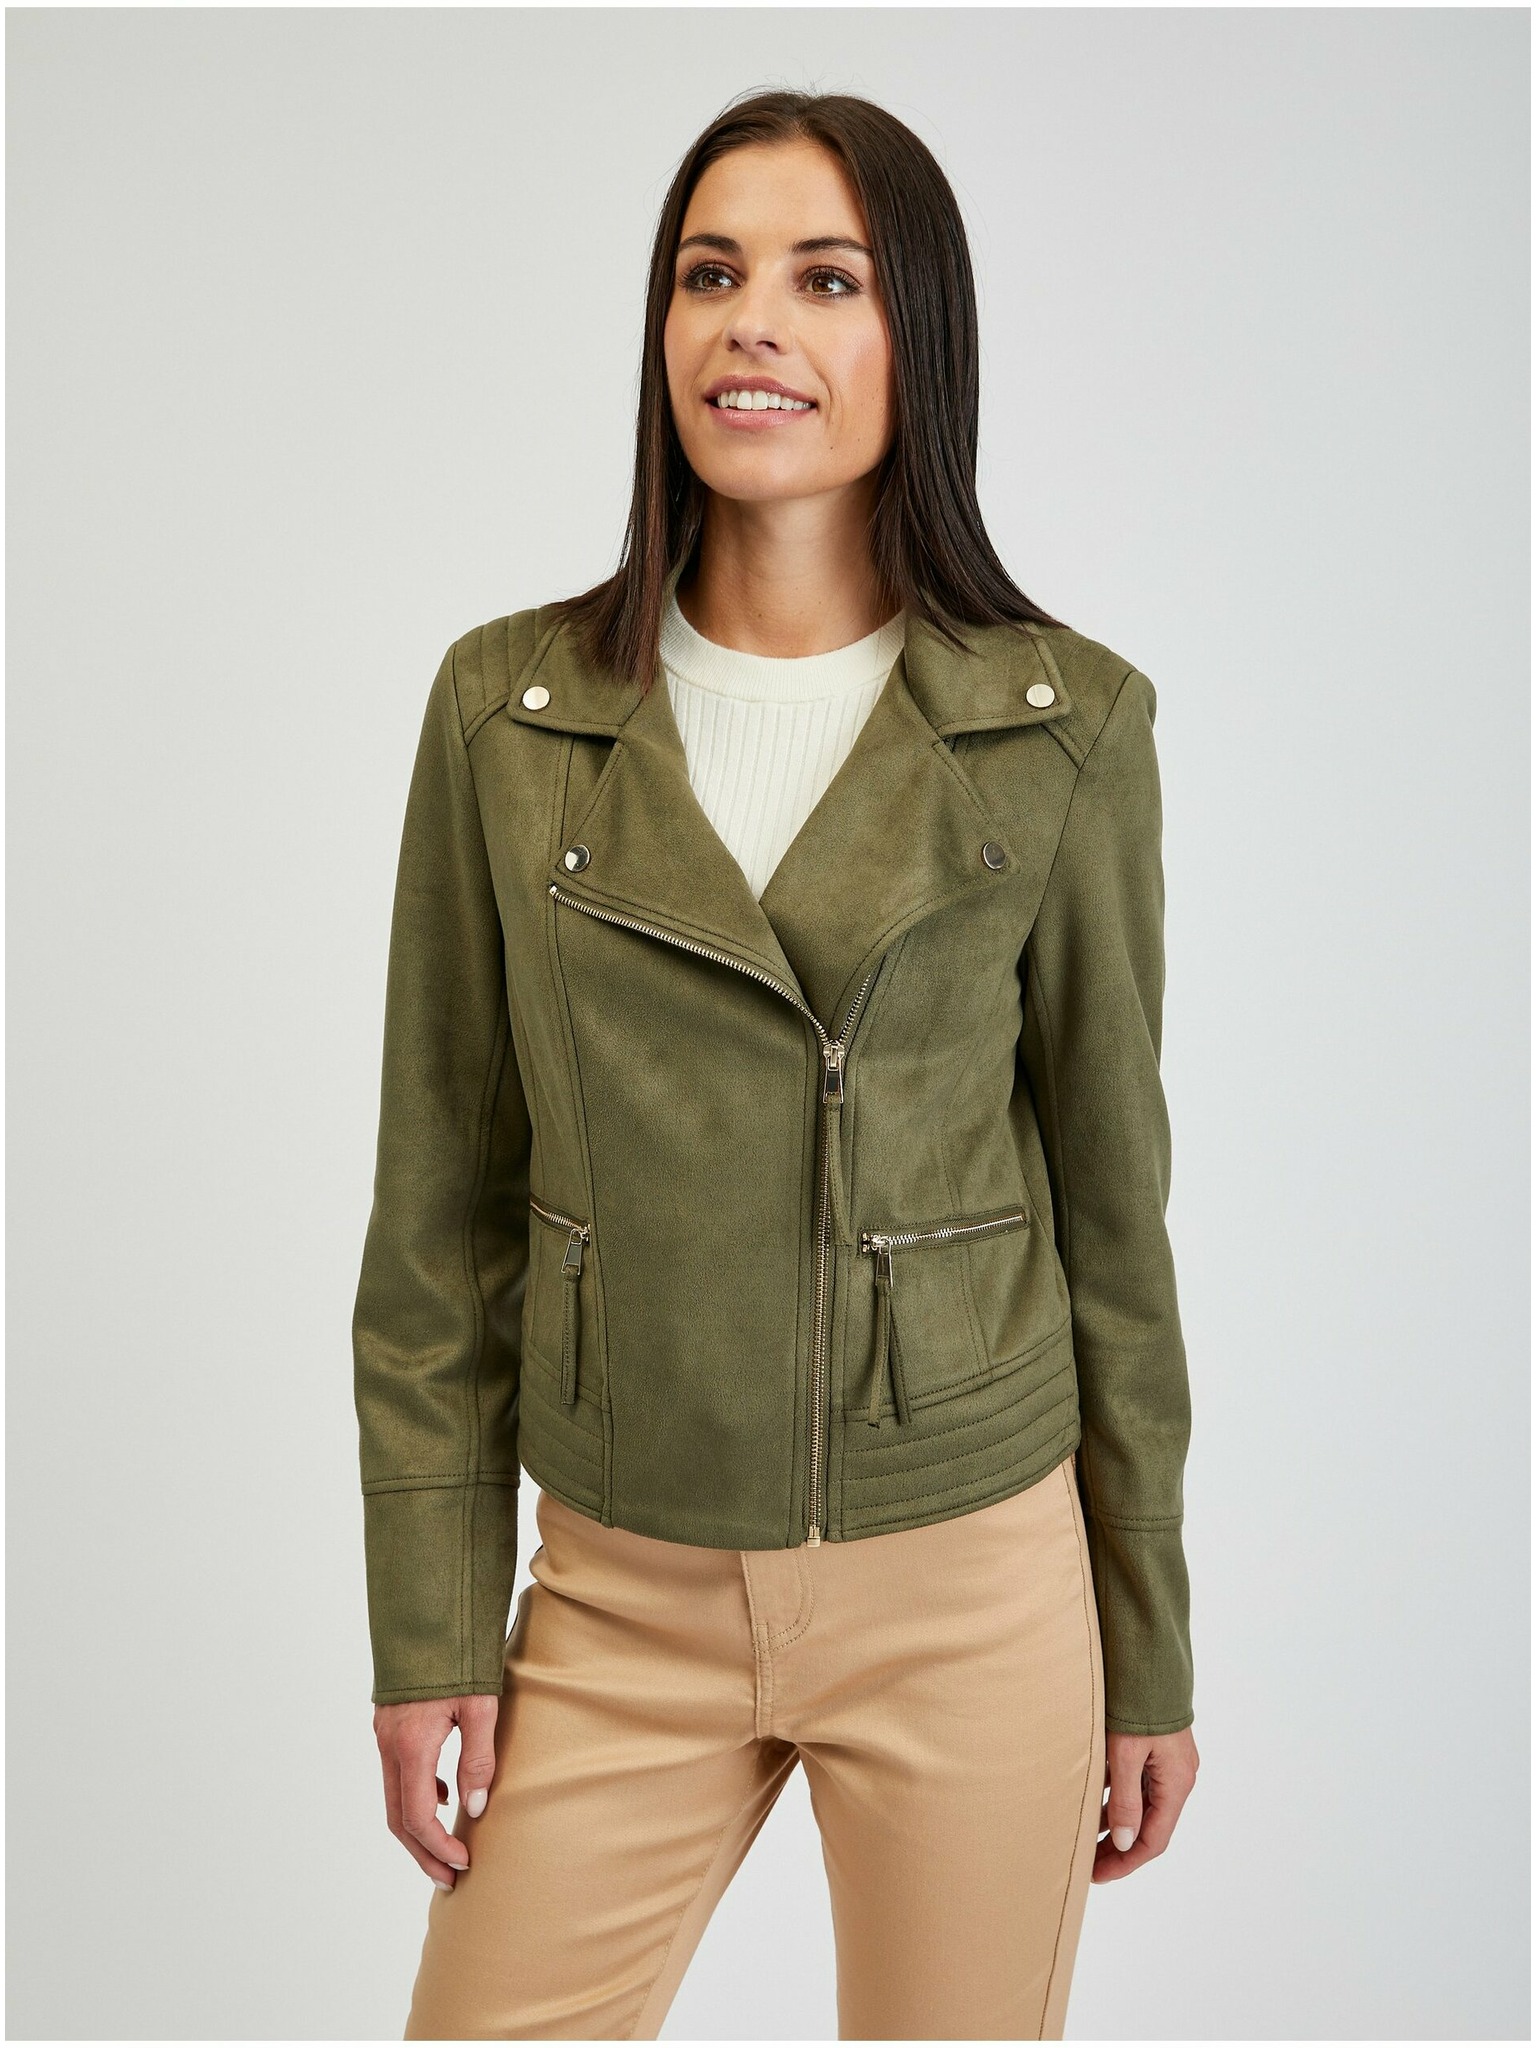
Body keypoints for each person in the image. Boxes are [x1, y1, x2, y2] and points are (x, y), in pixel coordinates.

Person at [353, 87, 1199, 2042]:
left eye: (827, 279)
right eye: (708, 274)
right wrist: (429, 1618)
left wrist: (1147, 1639)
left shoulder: (1067, 731)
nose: (753, 322)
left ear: (919, 334)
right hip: (620, 1586)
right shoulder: (509, 712)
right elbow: (438, 1216)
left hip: (975, 1587)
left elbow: (1114, 1218)